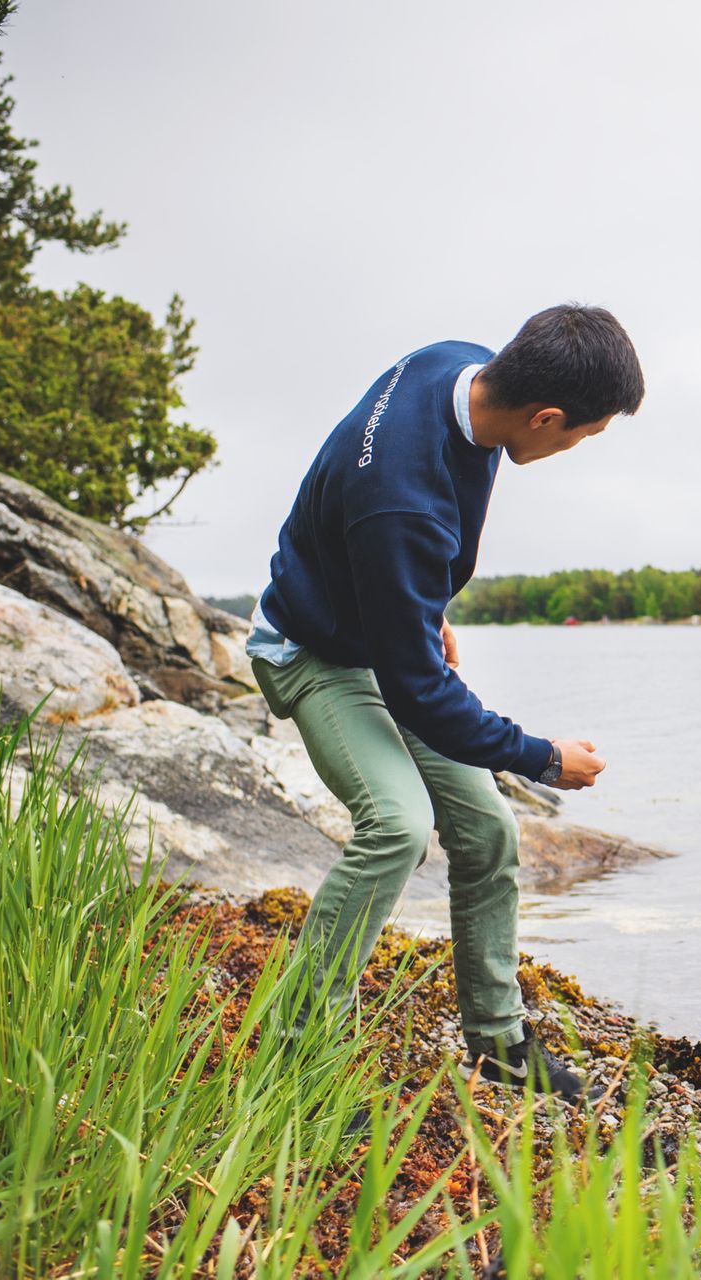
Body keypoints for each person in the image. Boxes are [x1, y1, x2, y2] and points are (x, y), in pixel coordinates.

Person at [247, 304, 642, 1103]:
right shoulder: (402, 500)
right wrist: (543, 759)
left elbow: (359, 515)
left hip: (374, 627)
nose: (572, 450)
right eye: (580, 437)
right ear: (546, 415)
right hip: (310, 649)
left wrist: (418, 606)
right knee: (396, 824)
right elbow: (419, 693)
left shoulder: (456, 364)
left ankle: (497, 1041)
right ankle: (295, 1056)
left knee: (488, 826)